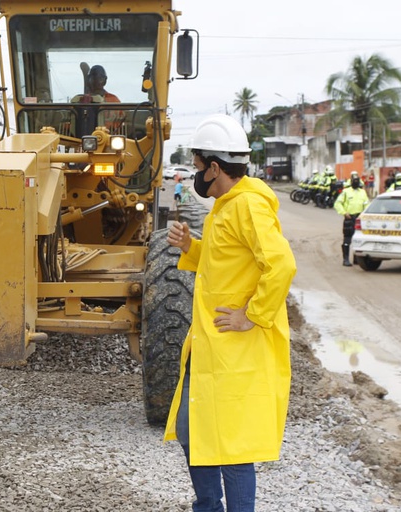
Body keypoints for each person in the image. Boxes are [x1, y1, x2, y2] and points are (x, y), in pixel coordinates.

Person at [164, 114, 297, 512]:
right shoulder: (225, 207)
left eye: (197, 166)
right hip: (209, 343)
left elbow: (282, 265)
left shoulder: (249, 206)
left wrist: (251, 315)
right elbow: (223, 262)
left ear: (214, 168)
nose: (195, 174)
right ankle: (208, 506)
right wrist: (190, 247)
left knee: (233, 447)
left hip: (236, 346)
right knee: (192, 430)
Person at [334, 172, 369, 266]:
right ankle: (345, 259)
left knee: (358, 239)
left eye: (357, 180)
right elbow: (337, 203)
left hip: (359, 219)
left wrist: (364, 214)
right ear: (351, 181)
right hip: (349, 218)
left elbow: (367, 204)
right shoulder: (346, 192)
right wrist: (344, 213)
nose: (356, 182)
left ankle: (356, 259)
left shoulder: (362, 192)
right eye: (354, 180)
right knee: (347, 239)